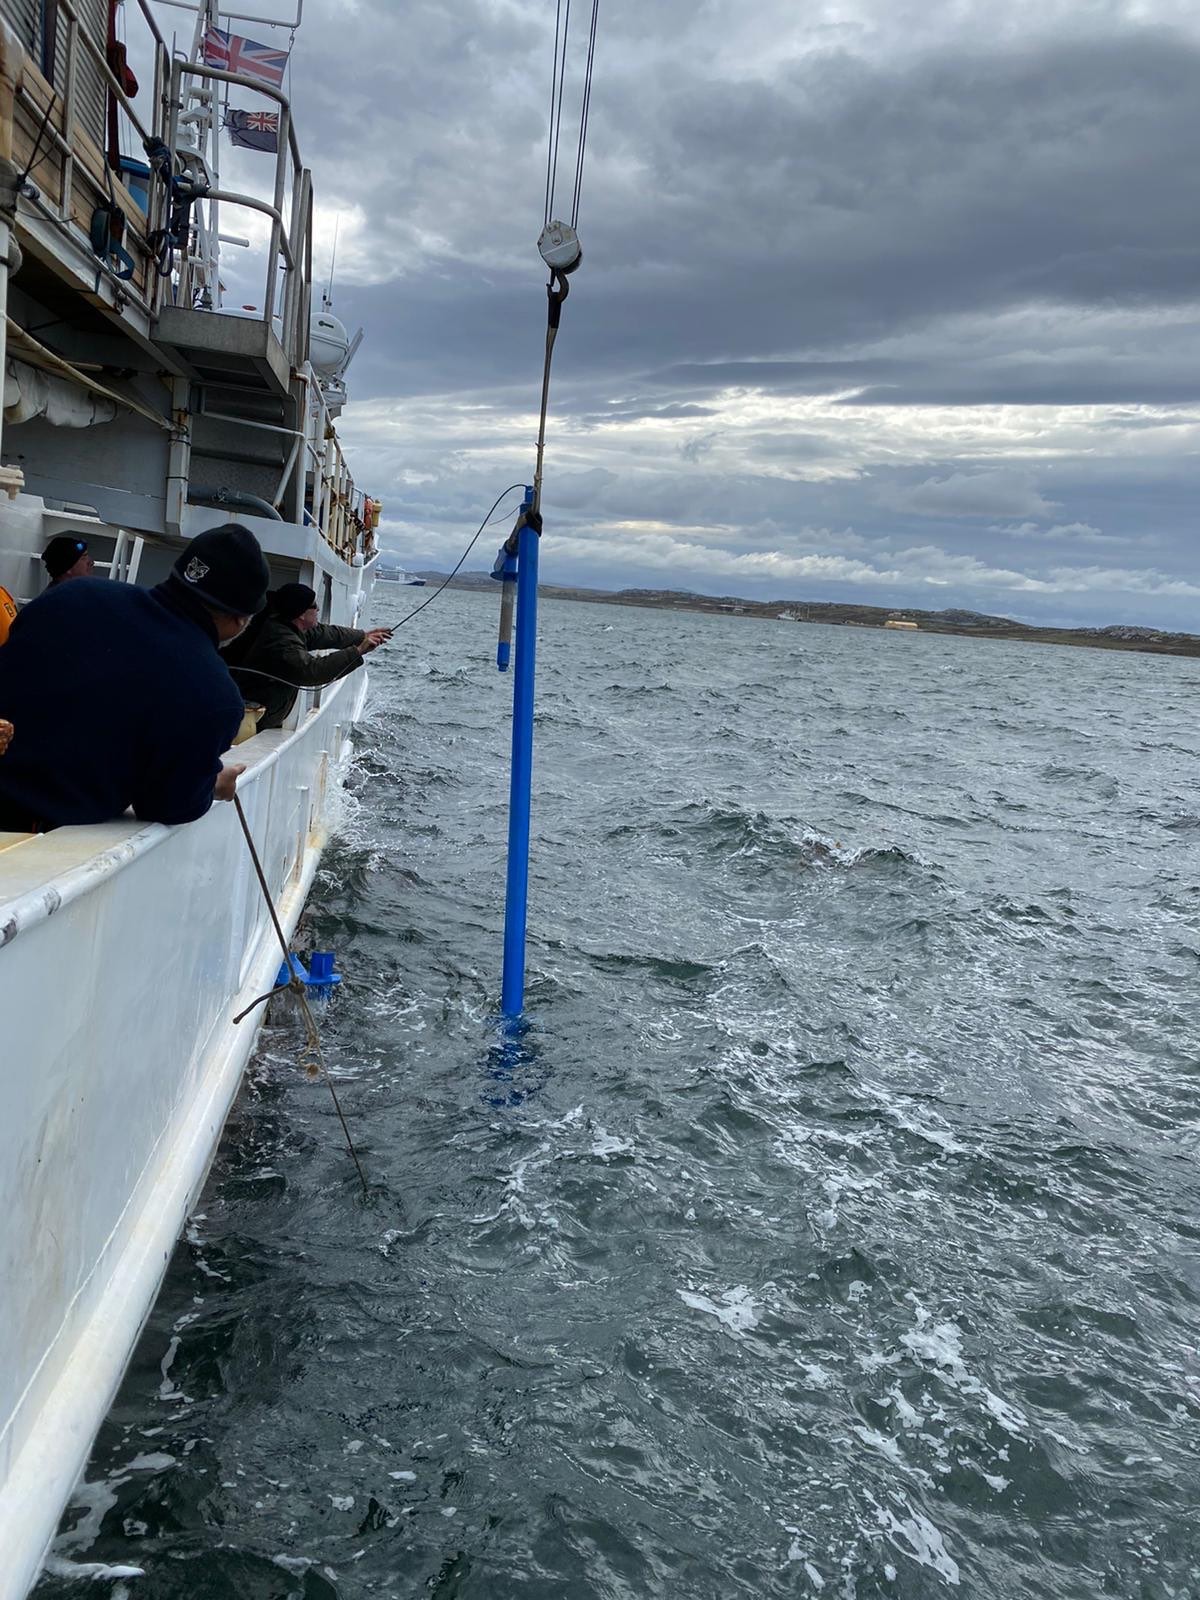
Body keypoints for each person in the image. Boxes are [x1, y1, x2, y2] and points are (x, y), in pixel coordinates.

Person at [0, 523, 270, 832]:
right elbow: (167, 804)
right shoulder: (216, 697)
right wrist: (213, 785)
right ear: (240, 619)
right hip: (23, 836)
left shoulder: (71, 594)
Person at [224, 583, 391, 730]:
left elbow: (326, 634)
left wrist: (362, 635)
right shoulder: (281, 640)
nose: (318, 609)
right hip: (247, 717)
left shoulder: (289, 625)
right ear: (301, 614)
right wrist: (358, 651)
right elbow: (310, 671)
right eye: (314, 605)